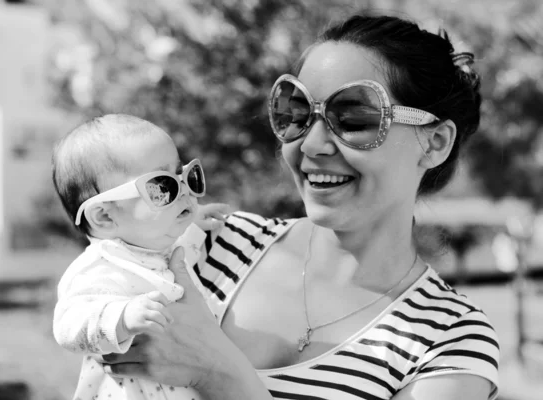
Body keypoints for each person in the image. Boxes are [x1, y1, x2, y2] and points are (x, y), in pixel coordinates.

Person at [99, 14, 500, 400]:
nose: (310, 145)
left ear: (435, 143)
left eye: (354, 117)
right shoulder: (208, 244)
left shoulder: (449, 339)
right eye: (297, 113)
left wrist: (216, 371)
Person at [51, 114, 227, 400]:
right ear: (105, 216)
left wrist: (194, 220)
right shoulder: (101, 267)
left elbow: (183, 247)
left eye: (185, 176)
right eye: (163, 187)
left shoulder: (163, 243)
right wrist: (122, 318)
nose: (183, 191)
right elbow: (68, 326)